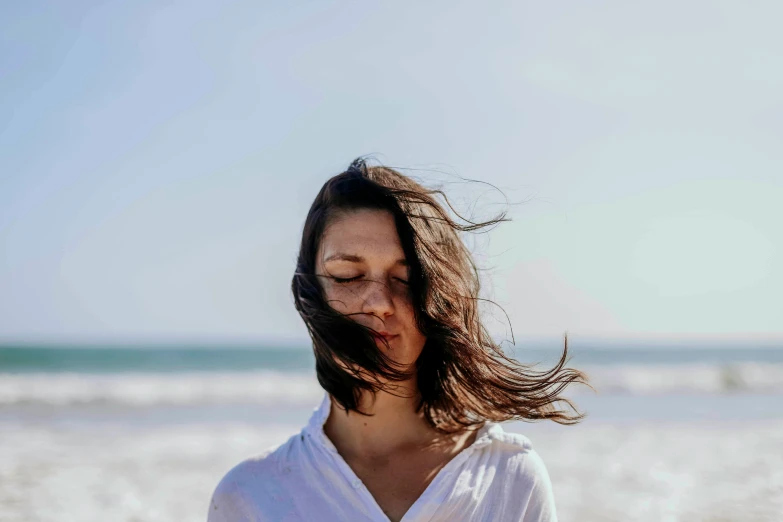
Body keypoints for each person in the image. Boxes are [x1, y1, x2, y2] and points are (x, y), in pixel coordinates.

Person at [207, 158, 588, 522]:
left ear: (440, 295)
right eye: (347, 276)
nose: (378, 303)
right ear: (311, 292)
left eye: (405, 278)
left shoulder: (507, 478)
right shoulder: (251, 496)